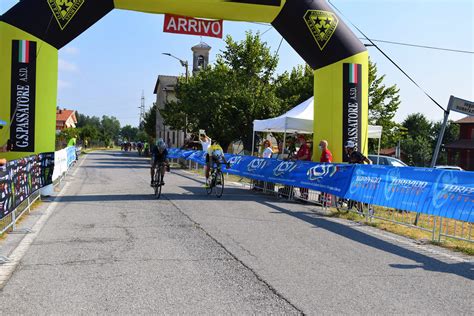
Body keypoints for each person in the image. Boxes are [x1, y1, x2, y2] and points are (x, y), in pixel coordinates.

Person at [295, 134, 311, 200]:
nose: (299, 141)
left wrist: (299, 158)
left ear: (304, 140)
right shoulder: (301, 147)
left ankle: (305, 196)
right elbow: (298, 155)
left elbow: (306, 156)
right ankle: (302, 195)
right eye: (299, 139)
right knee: (300, 181)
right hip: (300, 166)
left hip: (305, 166)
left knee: (304, 181)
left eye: (300, 139)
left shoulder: (306, 147)